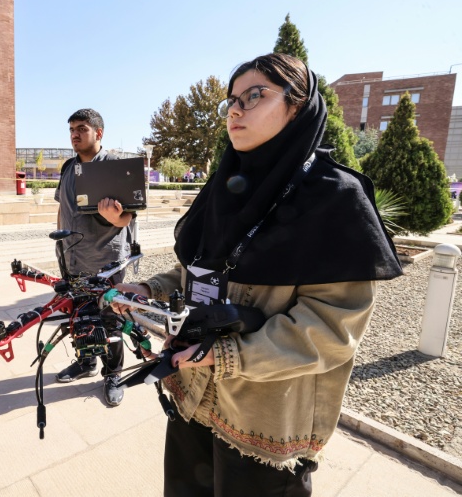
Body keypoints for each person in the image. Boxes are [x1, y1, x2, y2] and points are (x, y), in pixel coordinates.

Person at [116, 54, 403, 496]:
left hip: (263, 421)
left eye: (255, 96)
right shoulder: (224, 185)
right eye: (232, 99)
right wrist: (150, 288)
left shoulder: (334, 198)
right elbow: (200, 267)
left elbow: (331, 328)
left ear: (298, 105)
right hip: (192, 395)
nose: (235, 110)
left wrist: (230, 355)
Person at [53, 108, 135, 407]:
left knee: (109, 319)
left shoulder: (115, 165)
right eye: (72, 129)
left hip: (106, 259)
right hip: (72, 257)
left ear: (98, 133)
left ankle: (113, 374)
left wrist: (114, 217)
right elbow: (62, 208)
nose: (75, 134)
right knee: (79, 316)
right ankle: (86, 362)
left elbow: (126, 217)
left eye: (82, 128)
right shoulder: (68, 168)